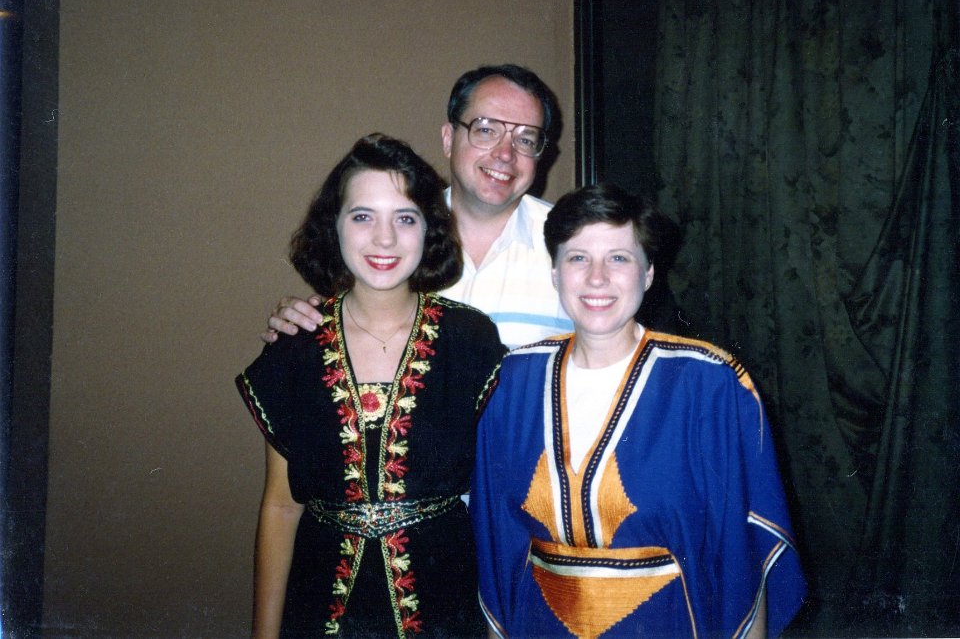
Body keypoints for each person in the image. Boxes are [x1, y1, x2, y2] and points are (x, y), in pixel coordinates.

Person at [470, 184, 806, 638]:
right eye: (578, 257)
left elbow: (746, 552)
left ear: (648, 274)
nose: (597, 278)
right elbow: (496, 542)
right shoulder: (513, 380)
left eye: (619, 258)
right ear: (554, 273)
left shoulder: (708, 383)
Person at [236, 134, 505, 638]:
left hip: (444, 605)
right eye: (362, 216)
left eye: (405, 218)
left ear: (429, 229)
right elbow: (281, 505)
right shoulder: (294, 348)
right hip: (320, 607)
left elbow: (500, 496)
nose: (384, 239)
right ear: (333, 226)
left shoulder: (472, 341)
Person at [262, 64, 573, 349]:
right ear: (448, 138)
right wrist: (301, 322)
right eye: (486, 130)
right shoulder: (391, 239)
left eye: (525, 139)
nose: (505, 154)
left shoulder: (574, 245)